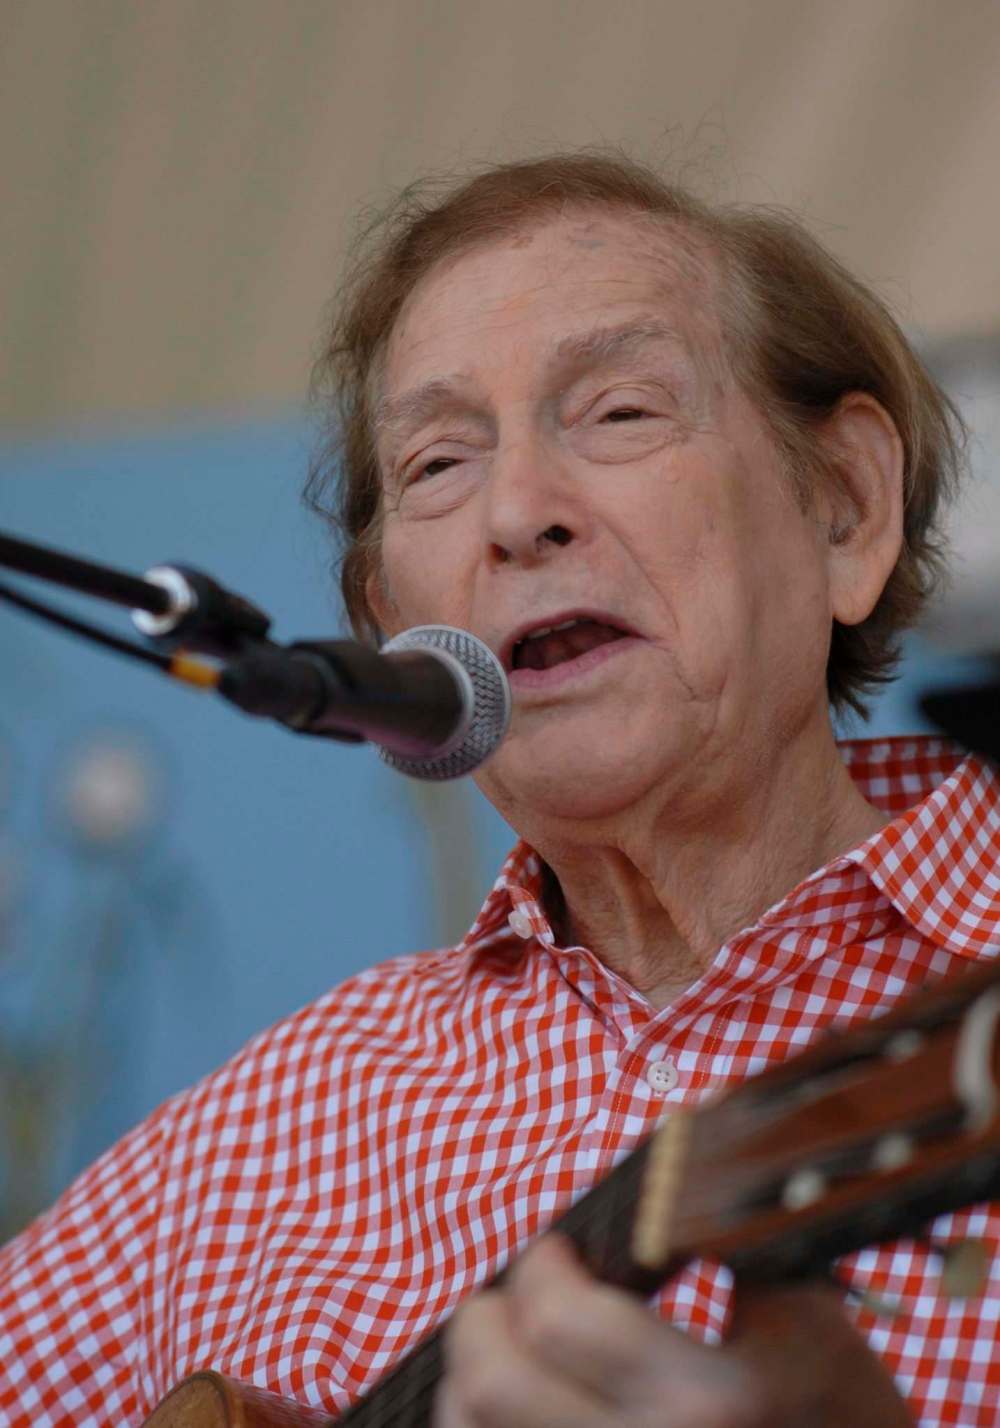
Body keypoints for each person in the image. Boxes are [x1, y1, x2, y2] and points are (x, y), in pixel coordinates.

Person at [1, 152, 997, 1427]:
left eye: (621, 412)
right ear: (390, 633)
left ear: (844, 509)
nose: (518, 512)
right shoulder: (261, 1134)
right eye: (436, 465)